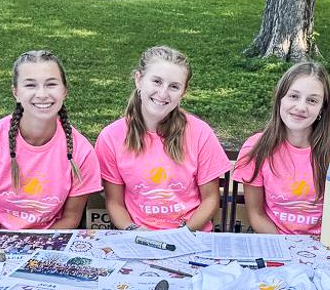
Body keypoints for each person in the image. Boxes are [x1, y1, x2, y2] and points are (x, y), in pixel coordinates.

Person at [0, 50, 101, 229]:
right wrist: (0, 240)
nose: (42, 94)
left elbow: (71, 217)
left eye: (51, 84)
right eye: (30, 85)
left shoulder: (82, 152)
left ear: (65, 91)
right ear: (16, 92)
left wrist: (39, 244)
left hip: (51, 240)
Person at [94, 46, 230, 231]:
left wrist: (184, 232)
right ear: (139, 80)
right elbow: (114, 202)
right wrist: (133, 230)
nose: (163, 93)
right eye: (157, 81)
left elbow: (211, 199)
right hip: (138, 236)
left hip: (191, 234)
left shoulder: (200, 133)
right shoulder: (111, 137)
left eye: (174, 86)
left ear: (184, 91)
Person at [233, 61, 330, 235]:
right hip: (276, 241)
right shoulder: (256, 147)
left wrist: (322, 244)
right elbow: (256, 215)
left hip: (325, 243)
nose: (301, 107)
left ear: (322, 108)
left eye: (312, 100)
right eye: (293, 96)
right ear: (280, 98)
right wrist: (288, 246)